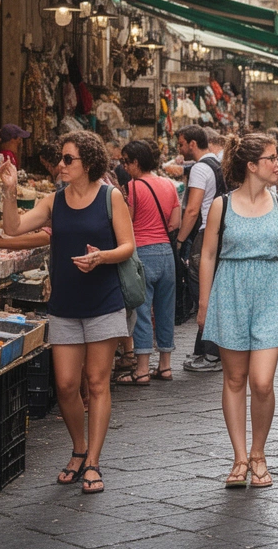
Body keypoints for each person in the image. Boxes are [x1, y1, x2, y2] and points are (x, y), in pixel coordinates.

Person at [0, 130, 136, 494]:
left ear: (87, 163)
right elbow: (12, 229)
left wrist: (100, 257)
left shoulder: (111, 196)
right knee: (66, 385)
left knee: (97, 382)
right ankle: (77, 447)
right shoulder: (53, 202)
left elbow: (128, 246)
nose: (60, 165)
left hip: (104, 301)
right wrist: (9, 191)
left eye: (68, 159)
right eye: (61, 158)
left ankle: (92, 461)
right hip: (65, 305)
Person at [198, 134, 278, 488]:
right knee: (234, 379)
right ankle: (240, 458)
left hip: (270, 291)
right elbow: (208, 255)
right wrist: (204, 305)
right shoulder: (221, 205)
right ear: (251, 165)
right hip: (229, 290)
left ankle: (259, 453)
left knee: (261, 382)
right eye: (272, 158)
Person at [121, 140, 183, 387]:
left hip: (142, 253)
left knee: (142, 311)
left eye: (126, 161)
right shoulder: (169, 184)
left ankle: (143, 370)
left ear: (136, 162)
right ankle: (165, 366)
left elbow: (127, 221)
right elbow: (174, 223)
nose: (124, 166)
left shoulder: (133, 187)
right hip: (166, 253)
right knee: (165, 310)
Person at [176, 125, 226, 372]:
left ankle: (213, 355)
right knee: (210, 291)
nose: (180, 149)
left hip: (205, 234)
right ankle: (203, 350)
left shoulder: (199, 168)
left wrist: (180, 239)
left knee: (202, 294)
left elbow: (193, 209)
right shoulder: (218, 164)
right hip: (218, 234)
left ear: (192, 144)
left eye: (182, 144)